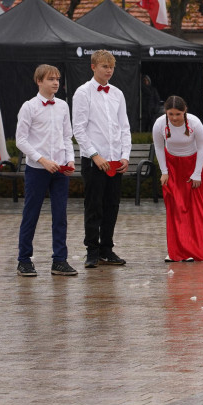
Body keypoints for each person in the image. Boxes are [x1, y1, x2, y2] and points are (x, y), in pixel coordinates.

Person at [153, 96, 203, 262]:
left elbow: (202, 146)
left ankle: (196, 246)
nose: (174, 118)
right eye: (171, 114)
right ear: (166, 113)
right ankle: (177, 249)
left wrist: (197, 173)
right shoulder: (160, 124)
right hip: (173, 169)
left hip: (193, 166)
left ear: (185, 111)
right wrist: (164, 171)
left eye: (178, 114)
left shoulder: (195, 123)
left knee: (196, 209)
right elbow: (159, 147)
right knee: (176, 209)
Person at [14, 64, 77, 277]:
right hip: (37, 170)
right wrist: (42, 160)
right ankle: (24, 260)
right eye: (51, 79)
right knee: (31, 215)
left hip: (60, 169)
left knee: (60, 216)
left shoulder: (62, 106)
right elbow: (20, 140)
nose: (56, 82)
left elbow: (67, 136)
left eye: (58, 78)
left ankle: (59, 260)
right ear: (39, 81)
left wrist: (70, 159)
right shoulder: (29, 107)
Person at [72, 50, 131, 269]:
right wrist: (95, 154)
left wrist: (125, 155)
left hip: (115, 160)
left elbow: (124, 127)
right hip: (94, 160)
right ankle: (92, 251)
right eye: (104, 66)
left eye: (111, 67)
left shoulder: (117, 93)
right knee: (94, 206)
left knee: (112, 205)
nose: (108, 70)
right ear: (93, 67)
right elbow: (78, 128)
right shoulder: (83, 92)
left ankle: (107, 249)